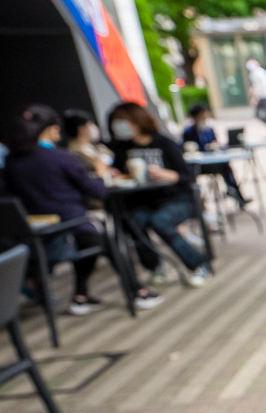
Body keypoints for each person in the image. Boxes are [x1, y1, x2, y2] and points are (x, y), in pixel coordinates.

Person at [4, 105, 161, 313]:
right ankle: (137, 291)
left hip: (35, 235)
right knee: (108, 242)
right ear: (50, 130)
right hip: (69, 227)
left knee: (91, 241)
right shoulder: (62, 157)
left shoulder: (11, 161)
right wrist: (102, 172)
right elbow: (98, 191)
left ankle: (80, 296)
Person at [106, 102, 212, 288]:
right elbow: (117, 172)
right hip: (143, 201)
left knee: (160, 221)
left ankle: (199, 264)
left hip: (178, 199)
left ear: (137, 121)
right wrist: (115, 173)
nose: (118, 127)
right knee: (134, 221)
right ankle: (154, 266)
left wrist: (168, 175)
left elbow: (187, 176)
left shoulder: (164, 143)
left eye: (122, 122)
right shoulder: (121, 148)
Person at [183, 104, 249, 208]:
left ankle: (234, 192)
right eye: (202, 114)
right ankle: (197, 205)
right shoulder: (188, 132)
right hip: (200, 165)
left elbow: (215, 142)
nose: (205, 116)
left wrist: (217, 146)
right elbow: (187, 148)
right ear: (195, 117)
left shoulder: (209, 129)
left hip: (214, 160)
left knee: (226, 166)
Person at [61, 109, 113, 178]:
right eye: (90, 124)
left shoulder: (96, 146)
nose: (94, 127)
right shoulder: (75, 151)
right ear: (81, 128)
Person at [246, 58, 266, 138]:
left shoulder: (256, 73)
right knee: (260, 115)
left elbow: (259, 87)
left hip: (263, 96)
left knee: (261, 115)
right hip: (265, 96)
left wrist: (255, 97)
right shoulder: (261, 72)